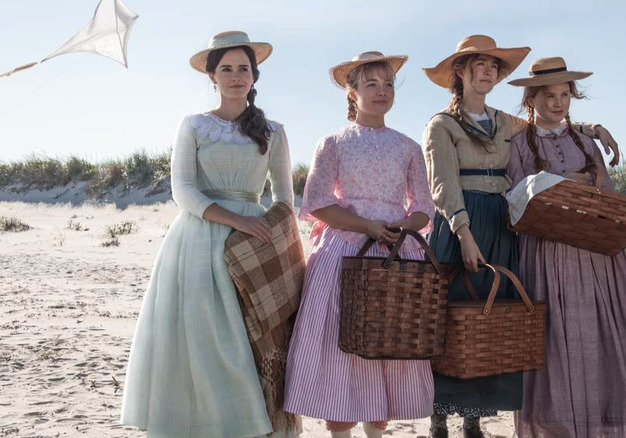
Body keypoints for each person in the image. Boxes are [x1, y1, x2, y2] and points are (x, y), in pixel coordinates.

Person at [421, 35, 620, 438]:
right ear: (460, 72)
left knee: (492, 312)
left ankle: (473, 417)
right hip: (462, 221)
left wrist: (593, 127)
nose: (488, 71)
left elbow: (546, 124)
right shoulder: (440, 125)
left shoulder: (502, 121)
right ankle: (439, 414)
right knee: (454, 311)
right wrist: (464, 233)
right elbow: (442, 185)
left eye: (494, 65)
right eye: (479, 64)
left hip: (501, 220)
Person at [120, 31, 299, 438]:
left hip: (255, 241)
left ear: (254, 76)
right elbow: (182, 190)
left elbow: (285, 198)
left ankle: (253, 423)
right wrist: (235, 221)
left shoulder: (273, 130)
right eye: (226, 69)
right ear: (212, 76)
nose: (236, 76)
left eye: (243, 68)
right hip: (199, 239)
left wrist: (264, 229)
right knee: (202, 337)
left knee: (252, 337)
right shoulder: (195, 125)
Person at [506, 56, 626, 437]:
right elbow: (514, 197)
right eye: (549, 95)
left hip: (597, 255)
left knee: (613, 336)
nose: (558, 102)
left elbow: (604, 192)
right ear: (531, 98)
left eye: (564, 94)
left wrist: (588, 179)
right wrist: (558, 182)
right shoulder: (516, 143)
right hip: (546, 253)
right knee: (557, 344)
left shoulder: (585, 141)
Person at [283, 51, 436, 438]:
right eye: (371, 84)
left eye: (388, 84)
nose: (382, 91)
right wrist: (367, 225)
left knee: (386, 340)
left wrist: (397, 229)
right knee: (341, 343)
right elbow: (318, 203)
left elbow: (424, 209)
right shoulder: (333, 143)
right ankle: (339, 432)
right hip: (343, 252)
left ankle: (377, 432)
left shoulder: (407, 147)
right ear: (352, 93)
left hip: (394, 252)